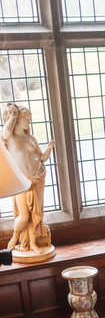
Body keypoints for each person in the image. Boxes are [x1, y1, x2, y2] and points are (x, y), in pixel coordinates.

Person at [1, 102, 55, 256]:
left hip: (39, 176)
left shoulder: (31, 138)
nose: (29, 120)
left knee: (36, 214)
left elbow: (42, 157)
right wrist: (13, 115)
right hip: (22, 182)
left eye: (30, 117)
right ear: (18, 119)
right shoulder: (10, 137)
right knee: (24, 216)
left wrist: (50, 148)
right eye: (27, 118)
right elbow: (4, 132)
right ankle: (15, 237)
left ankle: (33, 244)